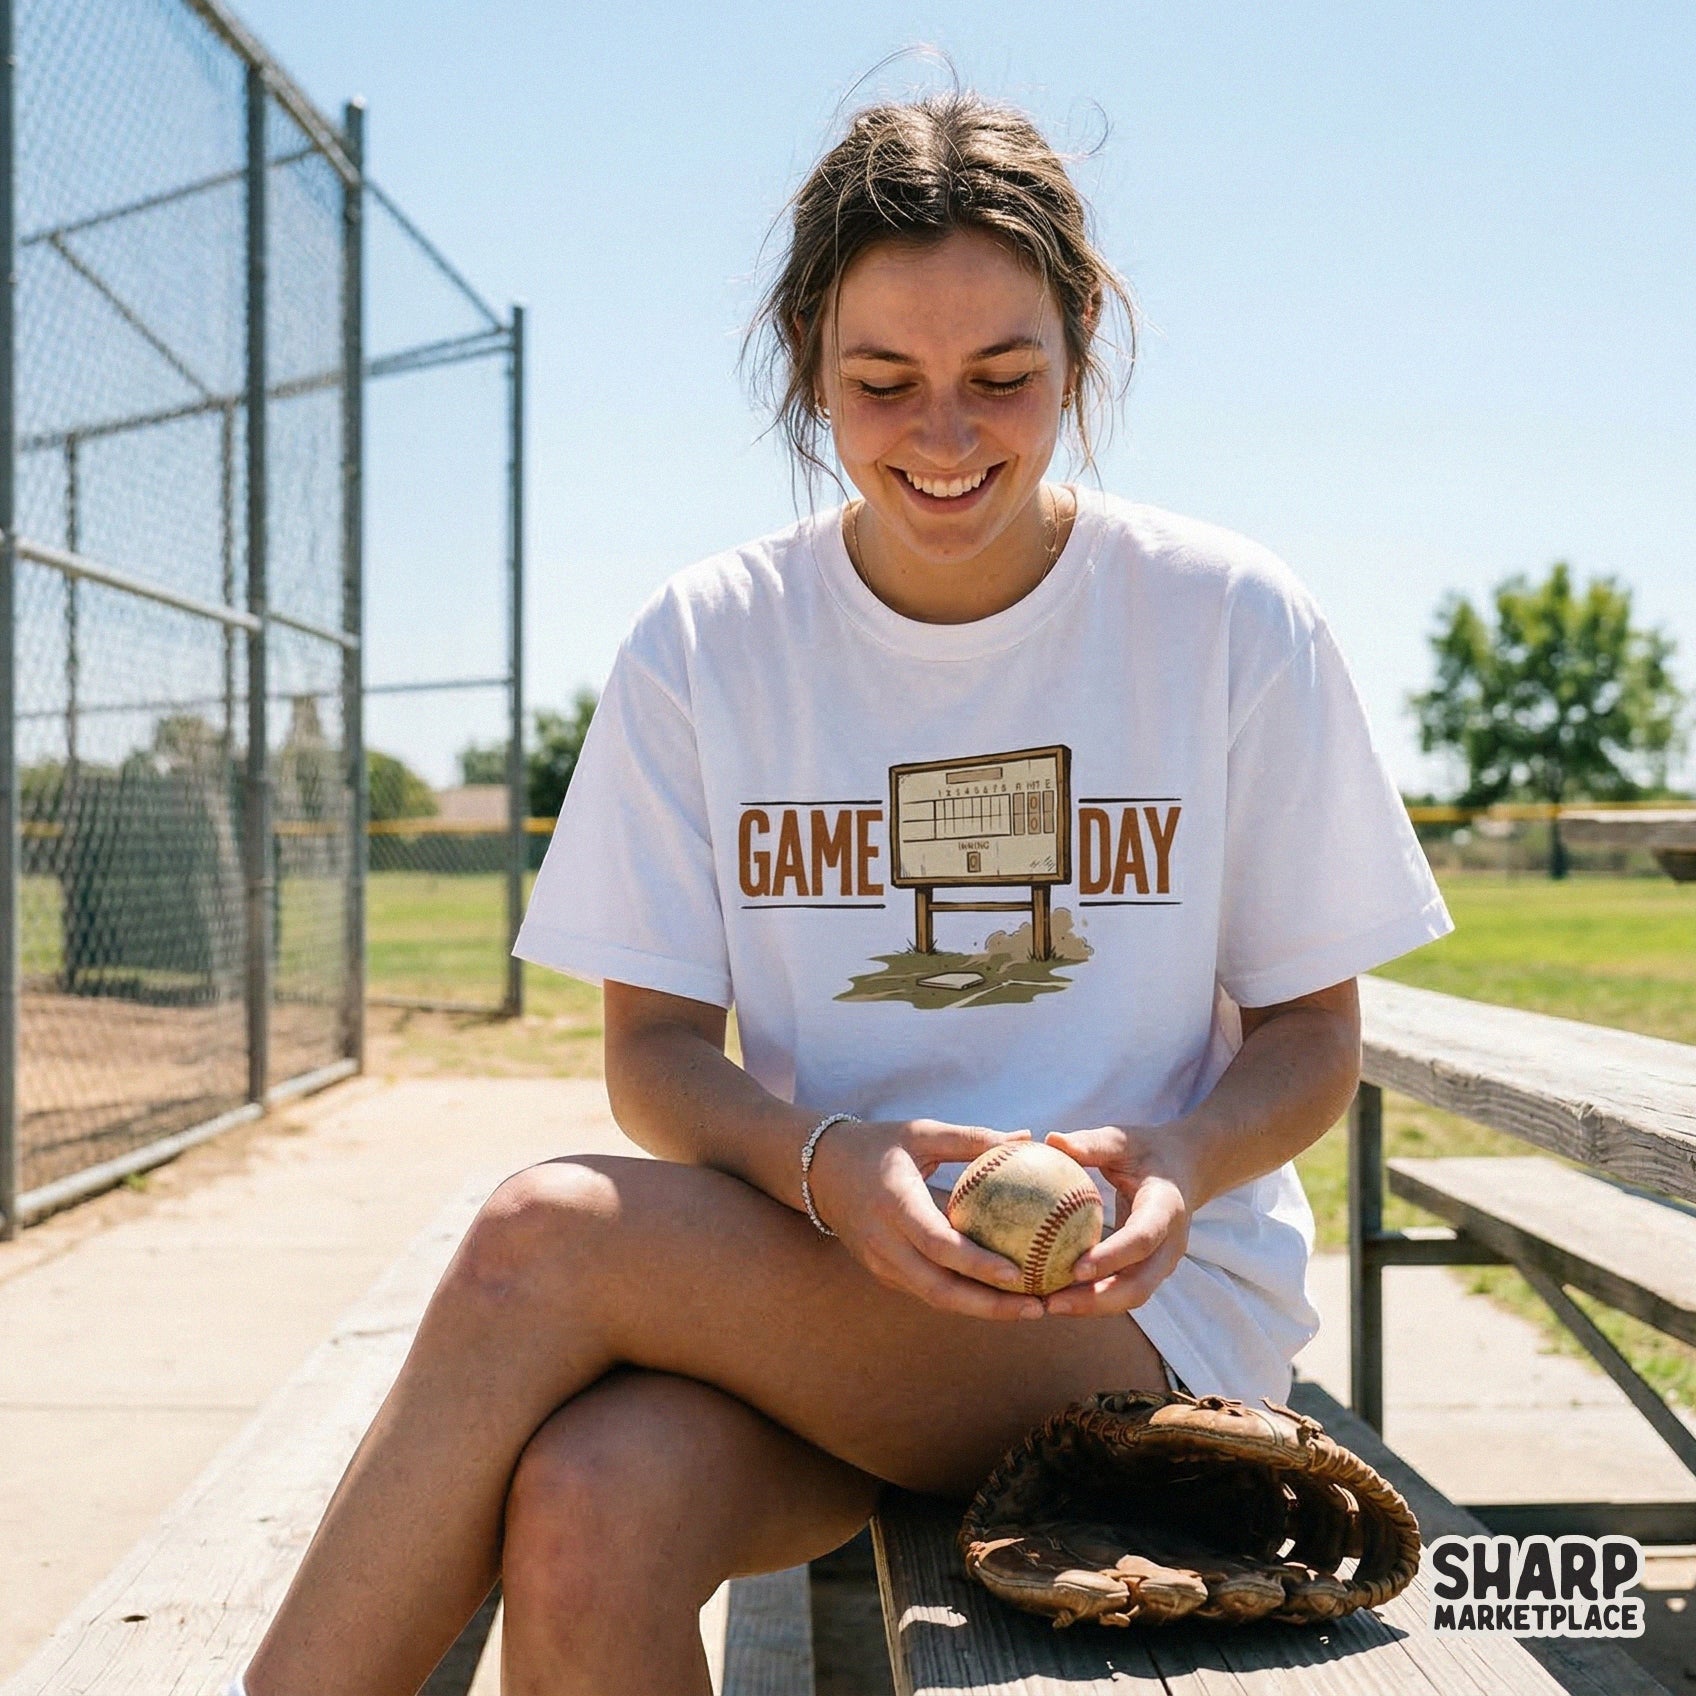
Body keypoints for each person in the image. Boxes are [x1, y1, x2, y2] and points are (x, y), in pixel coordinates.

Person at [240, 91, 1450, 1696]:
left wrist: (1176, 1155)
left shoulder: (1226, 616)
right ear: (810, 365)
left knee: (543, 1231)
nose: (945, 437)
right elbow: (655, 1052)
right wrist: (823, 1163)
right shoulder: (710, 639)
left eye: (1003, 378)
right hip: (817, 1306)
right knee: (583, 1513)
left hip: (1126, 1334)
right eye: (884, 383)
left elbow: (1311, 1033)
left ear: (1082, 350)